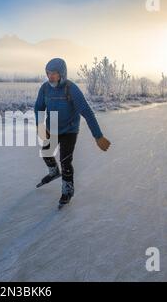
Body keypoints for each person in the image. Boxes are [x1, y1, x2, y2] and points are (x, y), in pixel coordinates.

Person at [35, 57, 111, 207]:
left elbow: (87, 112)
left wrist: (98, 136)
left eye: (54, 73)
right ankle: (54, 172)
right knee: (46, 153)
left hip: (70, 130)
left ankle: (68, 189)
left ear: (62, 74)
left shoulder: (71, 89)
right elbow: (39, 107)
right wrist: (40, 126)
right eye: (48, 73)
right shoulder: (45, 88)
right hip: (53, 126)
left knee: (65, 160)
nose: (50, 76)